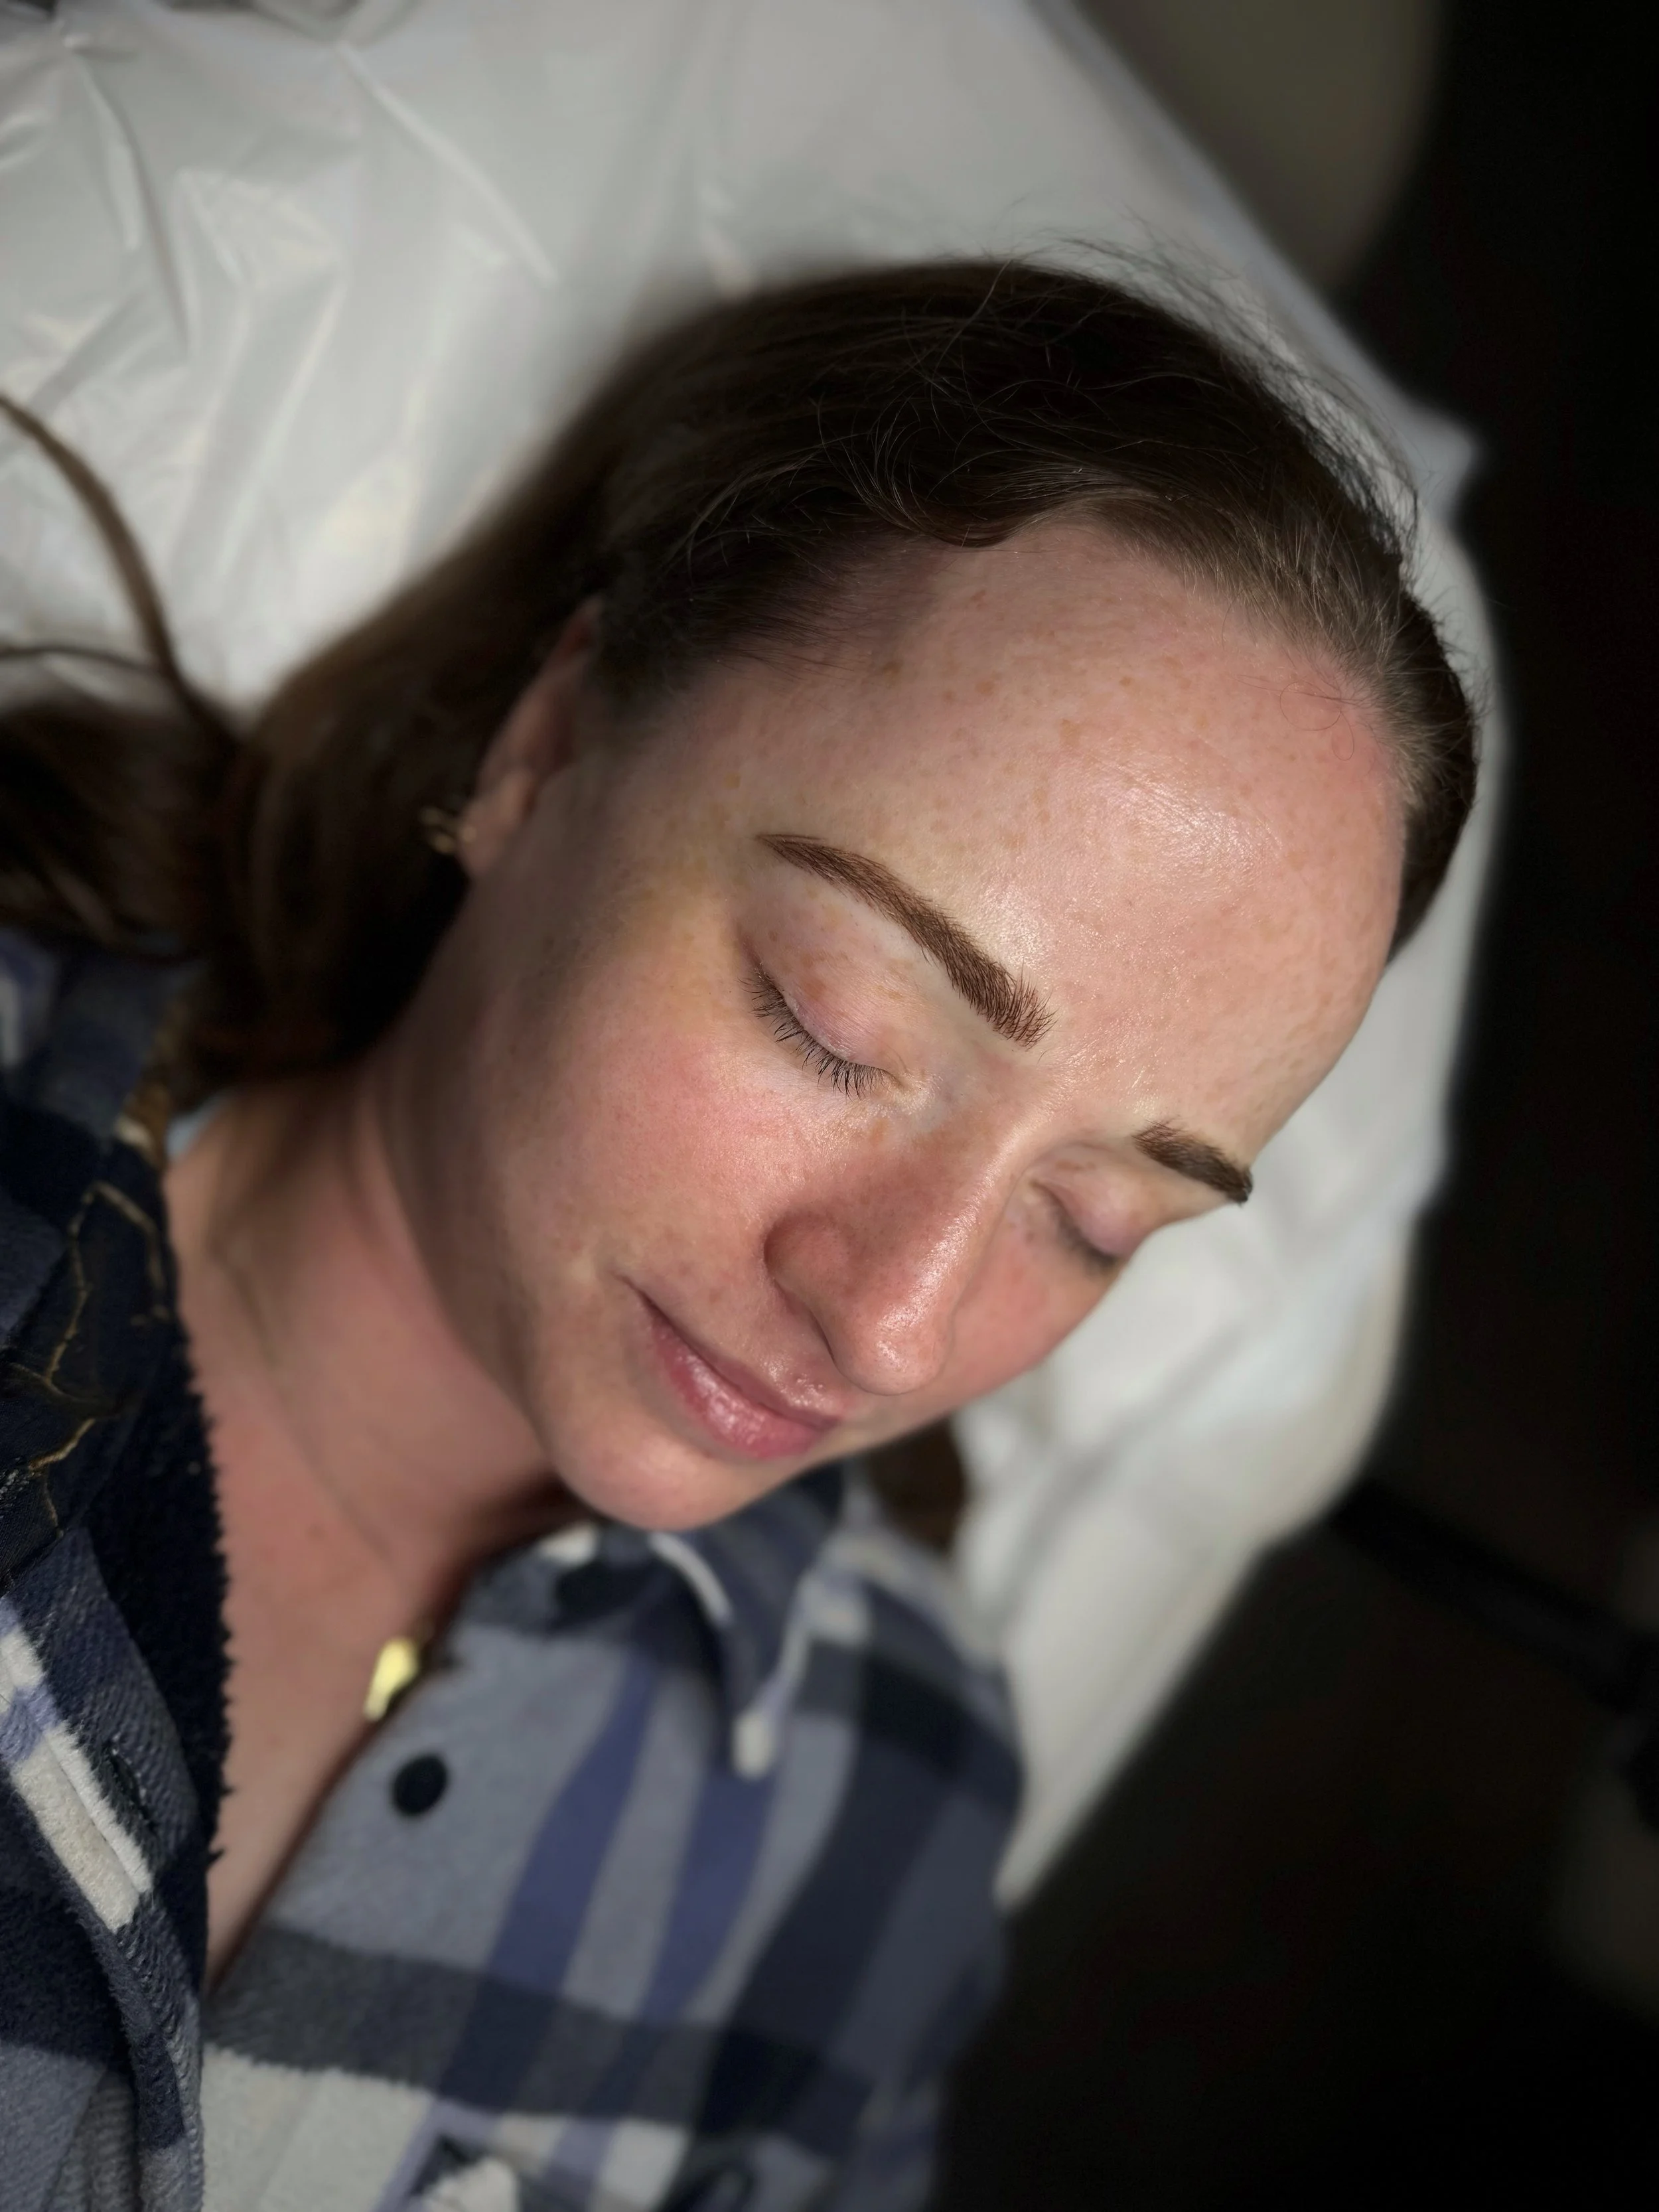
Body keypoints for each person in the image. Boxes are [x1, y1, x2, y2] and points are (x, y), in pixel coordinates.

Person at [0, 259, 1475, 2212]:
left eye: (1097, 1216)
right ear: (546, 741)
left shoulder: (882, 1807)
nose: (892, 1319)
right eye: (833, 1024)